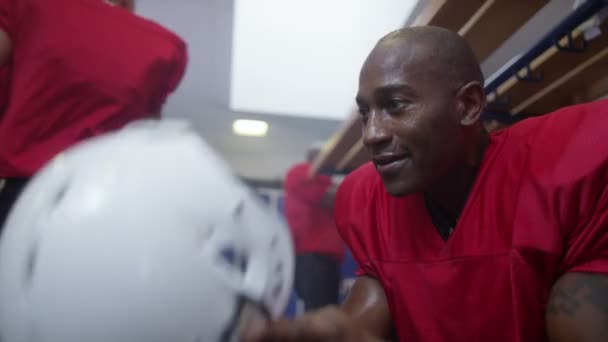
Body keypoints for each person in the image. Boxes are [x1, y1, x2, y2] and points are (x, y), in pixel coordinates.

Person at [245, 26, 608, 341]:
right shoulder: (369, 201)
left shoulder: (564, 168)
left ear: (467, 105)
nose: (371, 134)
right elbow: (359, 328)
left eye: (396, 105)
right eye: (366, 112)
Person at [0, 0, 187, 233]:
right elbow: (146, 141)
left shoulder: (33, 7)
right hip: (108, 210)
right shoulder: (164, 48)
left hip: (29, 199)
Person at [284, 143, 345, 312]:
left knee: (326, 308)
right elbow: (335, 199)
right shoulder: (300, 172)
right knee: (320, 311)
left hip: (325, 256)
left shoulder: (324, 180)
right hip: (312, 255)